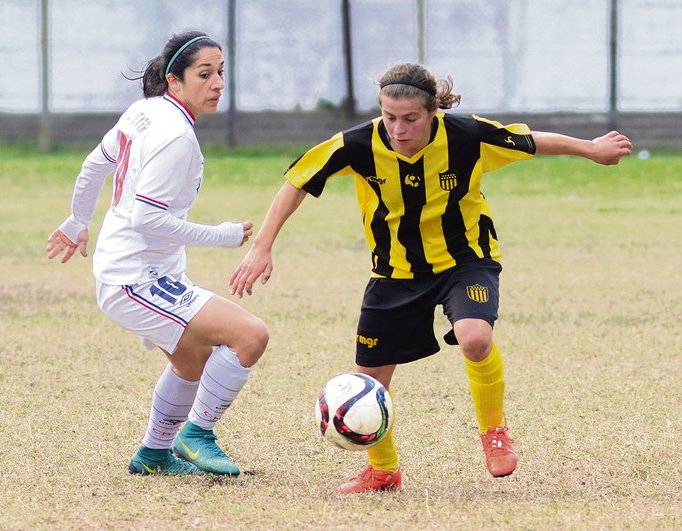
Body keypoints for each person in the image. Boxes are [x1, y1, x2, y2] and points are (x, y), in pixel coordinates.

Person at [229, 62, 632, 493]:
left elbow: (531, 140)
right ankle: (383, 471)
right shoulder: (356, 144)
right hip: (395, 274)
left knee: (475, 338)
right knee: (370, 381)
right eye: (388, 117)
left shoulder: (466, 135)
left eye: (410, 119)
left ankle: (494, 433)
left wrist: (590, 148)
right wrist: (262, 245)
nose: (398, 129)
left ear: (433, 112)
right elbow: (297, 180)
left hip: (465, 261)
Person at [47, 31, 269, 476]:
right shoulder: (176, 136)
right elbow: (146, 219)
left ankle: (152, 456)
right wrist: (222, 235)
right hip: (135, 279)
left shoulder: (145, 112)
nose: (218, 83)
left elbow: (94, 165)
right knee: (250, 336)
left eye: (221, 71)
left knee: (192, 361)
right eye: (204, 74)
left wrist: (77, 221)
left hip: (133, 272)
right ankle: (197, 434)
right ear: (174, 81)